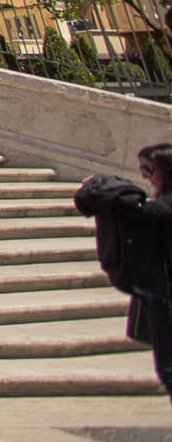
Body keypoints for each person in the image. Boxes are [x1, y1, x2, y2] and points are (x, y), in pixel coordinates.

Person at [74, 143, 172, 405]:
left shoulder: (164, 207)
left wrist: (104, 186)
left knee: (169, 369)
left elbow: (144, 212)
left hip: (166, 299)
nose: (145, 177)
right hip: (158, 295)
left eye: (149, 170)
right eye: (141, 170)